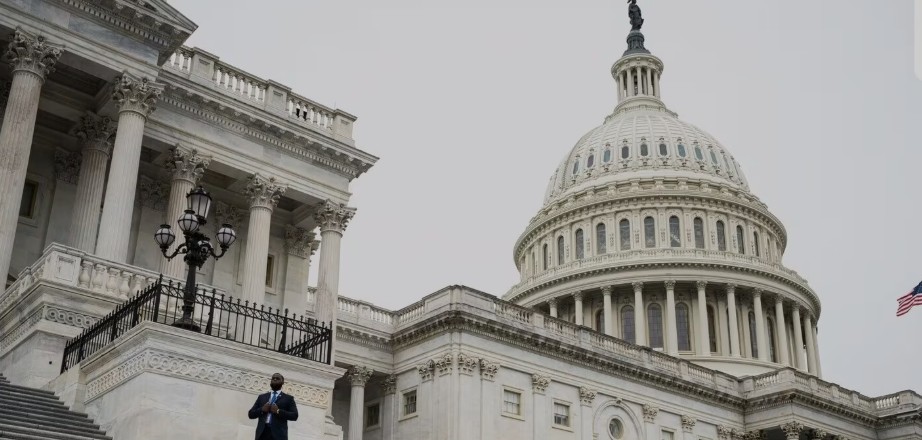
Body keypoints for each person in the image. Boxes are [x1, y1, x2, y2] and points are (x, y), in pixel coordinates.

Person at [248, 373, 299, 440]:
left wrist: (278, 411)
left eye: (277, 378)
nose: (275, 379)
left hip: (279, 435)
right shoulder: (262, 397)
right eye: (273, 378)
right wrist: (262, 409)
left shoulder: (288, 398)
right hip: (262, 434)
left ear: (282, 382)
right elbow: (251, 414)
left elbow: (294, 415)